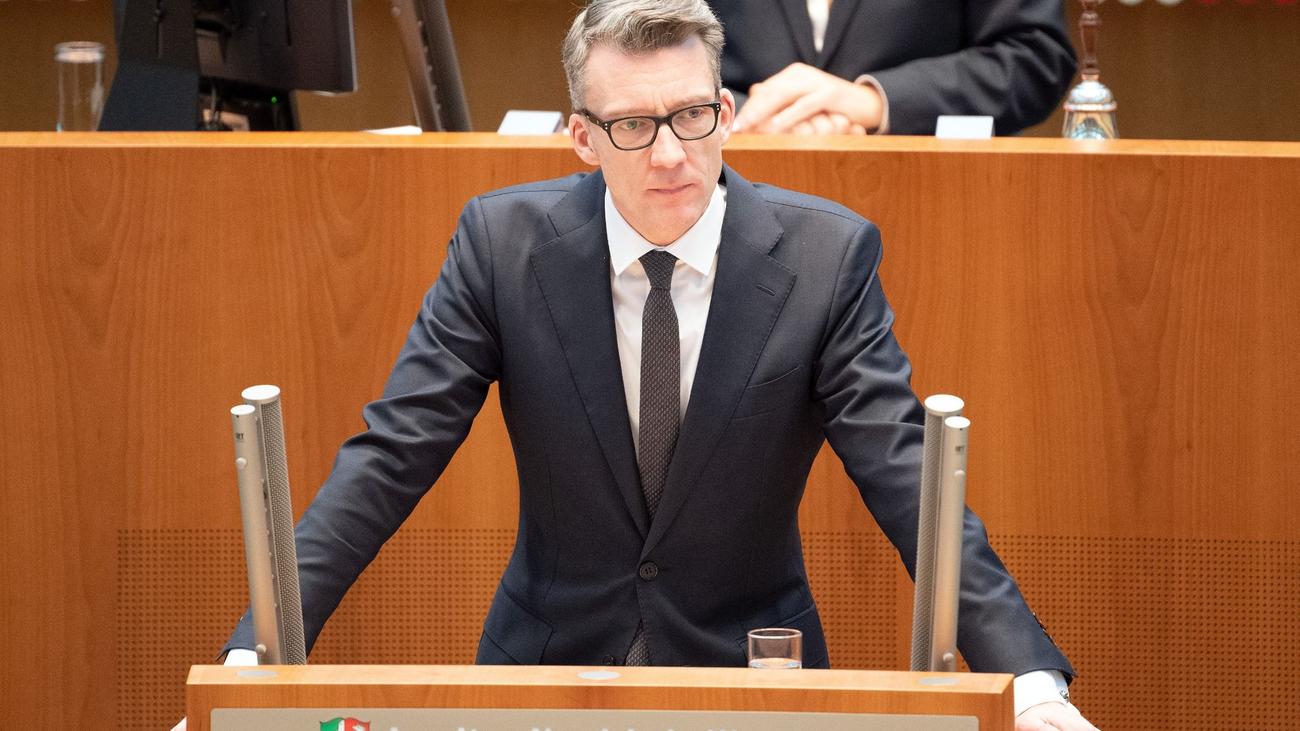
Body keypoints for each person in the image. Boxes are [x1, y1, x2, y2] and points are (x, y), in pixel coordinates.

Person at [179, 2, 1099, 730]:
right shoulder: (503, 247)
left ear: (725, 113)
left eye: (692, 116)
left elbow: (907, 474)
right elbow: (391, 455)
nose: (670, 155)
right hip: (545, 678)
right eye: (631, 126)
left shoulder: (826, 259)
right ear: (582, 138)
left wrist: (1026, 682)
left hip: (755, 679)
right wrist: (254, 656)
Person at [710, 0, 1078, 136]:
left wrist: (876, 101)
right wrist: (746, 114)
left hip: (938, 201)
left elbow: (1034, 57)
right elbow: (672, 44)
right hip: (730, 199)